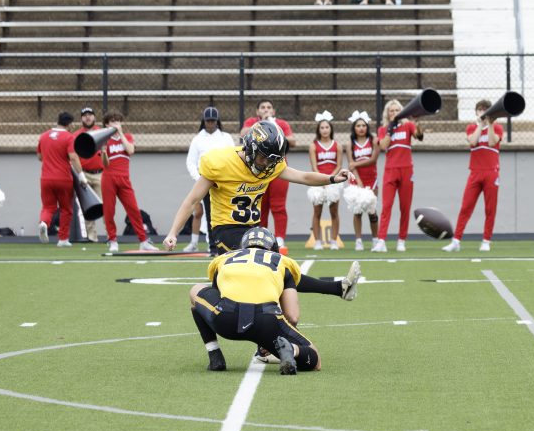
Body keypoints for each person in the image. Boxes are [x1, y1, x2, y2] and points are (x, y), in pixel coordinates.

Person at [162, 120, 361, 303]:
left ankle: (338, 289)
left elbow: (303, 177)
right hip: (227, 230)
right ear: (251, 148)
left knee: (281, 271)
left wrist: (332, 178)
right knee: (256, 277)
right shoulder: (220, 162)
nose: (266, 164)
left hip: (255, 231)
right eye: (263, 158)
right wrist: (173, 232)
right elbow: (192, 200)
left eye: (271, 161)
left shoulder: (270, 164)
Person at [188, 226, 320, 375]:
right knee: (314, 359)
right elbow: (293, 316)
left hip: (226, 319)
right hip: (266, 321)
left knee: (196, 292)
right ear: (273, 247)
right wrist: (279, 335)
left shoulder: (223, 258)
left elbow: (216, 293)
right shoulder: (283, 261)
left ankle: (215, 355)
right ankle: (292, 349)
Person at [443, 99, 505, 253]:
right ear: (476, 112)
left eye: (485, 110)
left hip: (491, 172)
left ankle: (486, 241)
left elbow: (492, 142)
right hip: (475, 172)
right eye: (480, 110)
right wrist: (480, 125)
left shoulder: (497, 127)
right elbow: (472, 141)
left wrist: (490, 124)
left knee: (490, 209)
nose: (482, 112)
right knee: (466, 207)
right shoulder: (471, 127)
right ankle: (456, 241)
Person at [241, 99, 295, 251]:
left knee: (278, 205)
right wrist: (262, 125)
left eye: (269, 107)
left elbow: (293, 140)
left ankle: (280, 239)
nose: (266, 110)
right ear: (257, 111)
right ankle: (261, 238)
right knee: (260, 205)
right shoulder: (252, 122)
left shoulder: (281, 123)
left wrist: (273, 125)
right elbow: (243, 134)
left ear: (274, 111)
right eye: (263, 107)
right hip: (259, 169)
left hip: (277, 169)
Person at [99, 112, 156, 253]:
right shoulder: (104, 140)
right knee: (109, 211)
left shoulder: (127, 136)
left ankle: (143, 241)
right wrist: (104, 152)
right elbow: (105, 164)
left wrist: (120, 133)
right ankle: (112, 240)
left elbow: (130, 150)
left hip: (124, 178)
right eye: (112, 121)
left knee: (133, 209)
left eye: (118, 121)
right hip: (109, 178)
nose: (116, 123)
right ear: (107, 124)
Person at [372, 99, 423, 252]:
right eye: (391, 111)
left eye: (397, 110)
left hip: (406, 170)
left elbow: (419, 136)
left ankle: (401, 240)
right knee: (386, 206)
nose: (394, 113)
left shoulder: (408, 126)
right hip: (390, 171)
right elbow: (383, 145)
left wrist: (416, 122)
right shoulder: (383, 129)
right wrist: (391, 128)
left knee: (405, 207)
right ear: (387, 114)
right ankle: (381, 240)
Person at [185, 106, 234, 252]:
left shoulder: (226, 137)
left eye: (213, 121)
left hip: (223, 181)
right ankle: (213, 246)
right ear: (204, 121)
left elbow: (233, 157)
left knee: (225, 213)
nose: (211, 123)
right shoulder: (197, 139)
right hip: (205, 181)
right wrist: (199, 179)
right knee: (209, 214)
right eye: (208, 121)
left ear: (217, 121)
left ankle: (228, 244)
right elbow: (191, 162)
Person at [36, 111, 89, 246]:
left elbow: (40, 157)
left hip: (46, 178)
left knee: (48, 207)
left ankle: (44, 223)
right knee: (66, 208)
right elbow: (73, 157)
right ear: (69, 124)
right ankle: (63, 239)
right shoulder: (69, 137)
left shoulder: (44, 136)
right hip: (63, 178)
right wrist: (81, 175)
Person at [343, 110, 380, 251]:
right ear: (354, 128)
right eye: (358, 126)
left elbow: (373, 160)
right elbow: (351, 165)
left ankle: (375, 240)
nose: (361, 128)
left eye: (363, 125)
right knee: (357, 211)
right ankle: (358, 241)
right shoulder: (350, 144)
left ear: (367, 127)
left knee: (372, 211)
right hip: (356, 179)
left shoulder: (373, 141)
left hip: (372, 179)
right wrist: (358, 181)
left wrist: (356, 164)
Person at [307, 112, 343, 250]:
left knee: (334, 212)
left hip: (333, 181)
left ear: (331, 129)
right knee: (317, 212)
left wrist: (331, 179)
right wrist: (322, 180)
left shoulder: (337, 146)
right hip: (318, 182)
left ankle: (334, 241)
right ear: (318, 130)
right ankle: (317, 242)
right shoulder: (313, 146)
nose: (325, 130)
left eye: (327, 127)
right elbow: (314, 166)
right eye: (322, 127)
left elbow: (339, 165)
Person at [76, 107, 105, 242]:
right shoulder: (76, 135)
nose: (87, 117)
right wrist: (79, 174)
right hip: (84, 174)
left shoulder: (102, 132)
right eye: (85, 115)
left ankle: (111, 235)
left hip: (100, 173)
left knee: (106, 205)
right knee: (88, 206)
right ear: (81, 118)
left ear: (94, 117)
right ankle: (92, 236)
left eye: (90, 115)